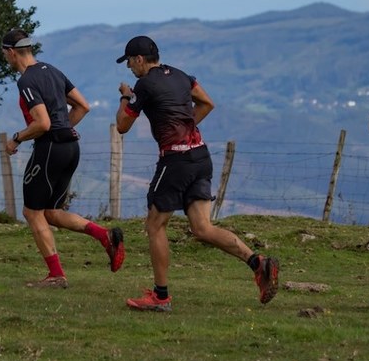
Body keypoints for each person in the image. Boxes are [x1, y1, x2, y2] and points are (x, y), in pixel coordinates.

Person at [115, 35, 279, 311]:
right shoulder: (181, 76)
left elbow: (122, 126)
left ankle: (161, 296)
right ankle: (258, 263)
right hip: (201, 156)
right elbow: (207, 103)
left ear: (140, 60)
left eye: (129, 62)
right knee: (202, 228)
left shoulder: (144, 85)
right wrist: (186, 125)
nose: (129, 68)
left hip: (176, 161)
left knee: (155, 225)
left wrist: (125, 96)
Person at [1, 28, 125, 289]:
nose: (6, 59)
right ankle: (105, 236)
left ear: (12, 52)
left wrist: (16, 138)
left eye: (4, 54)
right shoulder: (53, 70)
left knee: (31, 212)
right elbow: (83, 106)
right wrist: (65, 127)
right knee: (51, 213)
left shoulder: (25, 81)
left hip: (50, 149)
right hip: (70, 147)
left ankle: (56, 275)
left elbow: (43, 123)